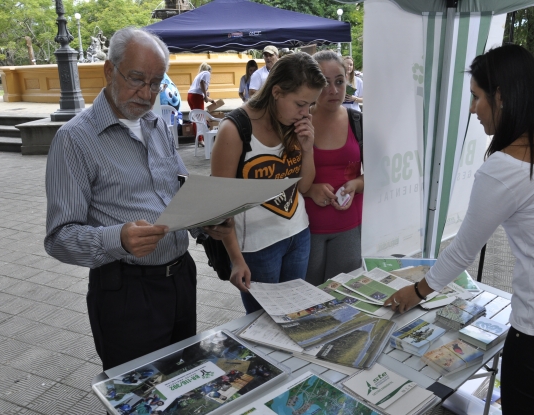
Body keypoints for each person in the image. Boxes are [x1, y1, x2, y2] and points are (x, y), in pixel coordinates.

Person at [385, 44, 534, 415]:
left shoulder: (505, 168)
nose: (473, 109)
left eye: (476, 97)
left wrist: (418, 290)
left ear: (501, 96)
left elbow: (462, 250)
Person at [44, 27, 234, 370]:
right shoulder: (74, 139)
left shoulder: (157, 123)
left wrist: (207, 223)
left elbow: (177, 190)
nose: (146, 94)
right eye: (136, 79)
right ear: (108, 70)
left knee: (180, 383)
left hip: (180, 279)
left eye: (156, 83)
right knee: (136, 395)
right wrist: (118, 238)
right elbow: (59, 238)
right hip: (126, 291)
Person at [211, 52, 326, 313]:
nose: (305, 113)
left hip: (298, 234)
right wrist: (236, 259)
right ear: (276, 91)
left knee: (294, 315)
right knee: (264, 325)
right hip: (256, 247)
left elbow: (304, 187)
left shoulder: (295, 125)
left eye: (310, 105)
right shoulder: (235, 129)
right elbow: (220, 205)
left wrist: (308, 149)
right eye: (300, 104)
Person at [304, 50, 364, 286]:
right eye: (323, 82)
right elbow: (281, 178)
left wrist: (357, 184)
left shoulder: (357, 121)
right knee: (306, 303)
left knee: (342, 301)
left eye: (339, 81)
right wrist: (309, 190)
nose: (333, 90)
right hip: (305, 230)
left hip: (349, 228)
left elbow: (380, 174)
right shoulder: (298, 121)